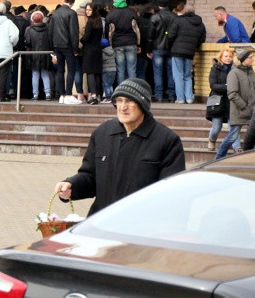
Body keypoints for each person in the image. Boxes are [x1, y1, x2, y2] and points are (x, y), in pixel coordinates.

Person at [54, 78, 185, 216]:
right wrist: (71, 186)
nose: (122, 107)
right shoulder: (102, 133)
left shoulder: (167, 140)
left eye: (130, 101)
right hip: (101, 223)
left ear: (143, 105)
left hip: (141, 228)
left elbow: (171, 194)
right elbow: (90, 176)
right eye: (119, 100)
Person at [216, 49, 255, 159]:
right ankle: (219, 157)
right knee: (232, 137)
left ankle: (252, 158)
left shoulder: (252, 72)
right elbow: (232, 94)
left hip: (254, 110)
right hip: (239, 111)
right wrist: (244, 107)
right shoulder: (234, 73)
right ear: (242, 60)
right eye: (250, 57)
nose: (252, 59)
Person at [167, 2, 206, 104]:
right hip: (190, 53)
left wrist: (171, 46)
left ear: (183, 11)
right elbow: (202, 39)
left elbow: (170, 36)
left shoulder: (179, 21)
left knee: (178, 75)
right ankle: (189, 98)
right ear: (194, 12)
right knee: (188, 75)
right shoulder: (200, 23)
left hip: (177, 52)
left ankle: (180, 99)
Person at [49, 0, 81, 104]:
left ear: (64, 0)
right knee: (71, 70)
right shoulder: (72, 13)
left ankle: (61, 95)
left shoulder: (55, 13)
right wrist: (75, 48)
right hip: (68, 46)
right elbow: (74, 32)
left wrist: (52, 47)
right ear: (72, 3)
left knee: (60, 70)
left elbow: (50, 31)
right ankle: (68, 94)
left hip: (56, 46)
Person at [105, 0, 140, 86]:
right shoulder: (131, 12)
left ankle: (122, 90)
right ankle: (132, 90)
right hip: (131, 42)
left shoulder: (111, 14)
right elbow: (137, 29)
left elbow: (107, 31)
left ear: (115, 0)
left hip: (117, 44)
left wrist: (109, 44)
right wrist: (138, 43)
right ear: (124, 0)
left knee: (120, 69)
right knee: (132, 69)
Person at [147, 0, 176, 102]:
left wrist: (148, 50)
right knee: (171, 72)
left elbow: (150, 35)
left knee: (158, 72)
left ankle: (159, 96)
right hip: (171, 48)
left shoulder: (155, 17)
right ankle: (172, 96)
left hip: (157, 48)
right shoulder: (175, 16)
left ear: (159, 5)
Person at [207, 47, 235, 151]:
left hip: (231, 101)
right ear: (221, 57)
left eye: (230, 56)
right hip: (217, 101)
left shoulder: (235, 69)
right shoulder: (215, 68)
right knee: (216, 127)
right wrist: (227, 87)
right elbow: (213, 85)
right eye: (226, 56)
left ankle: (236, 147)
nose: (228, 58)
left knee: (233, 126)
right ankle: (212, 139)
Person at [25, 10, 53, 101]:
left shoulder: (29, 29)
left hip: (34, 54)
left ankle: (35, 94)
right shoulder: (48, 28)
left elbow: (27, 42)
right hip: (45, 54)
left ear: (32, 19)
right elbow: (50, 41)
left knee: (35, 75)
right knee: (45, 74)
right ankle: (48, 94)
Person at [80, 3, 104, 105]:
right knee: (97, 73)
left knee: (90, 73)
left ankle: (93, 96)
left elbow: (86, 37)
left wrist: (81, 39)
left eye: (89, 10)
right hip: (98, 49)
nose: (87, 12)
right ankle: (97, 95)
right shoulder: (99, 21)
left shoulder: (90, 22)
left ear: (93, 11)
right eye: (86, 10)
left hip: (89, 50)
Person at [100, 38, 116, 103]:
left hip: (106, 70)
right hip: (113, 70)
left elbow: (101, 60)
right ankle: (112, 97)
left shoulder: (103, 52)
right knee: (110, 84)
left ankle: (108, 98)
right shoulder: (112, 50)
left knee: (106, 84)